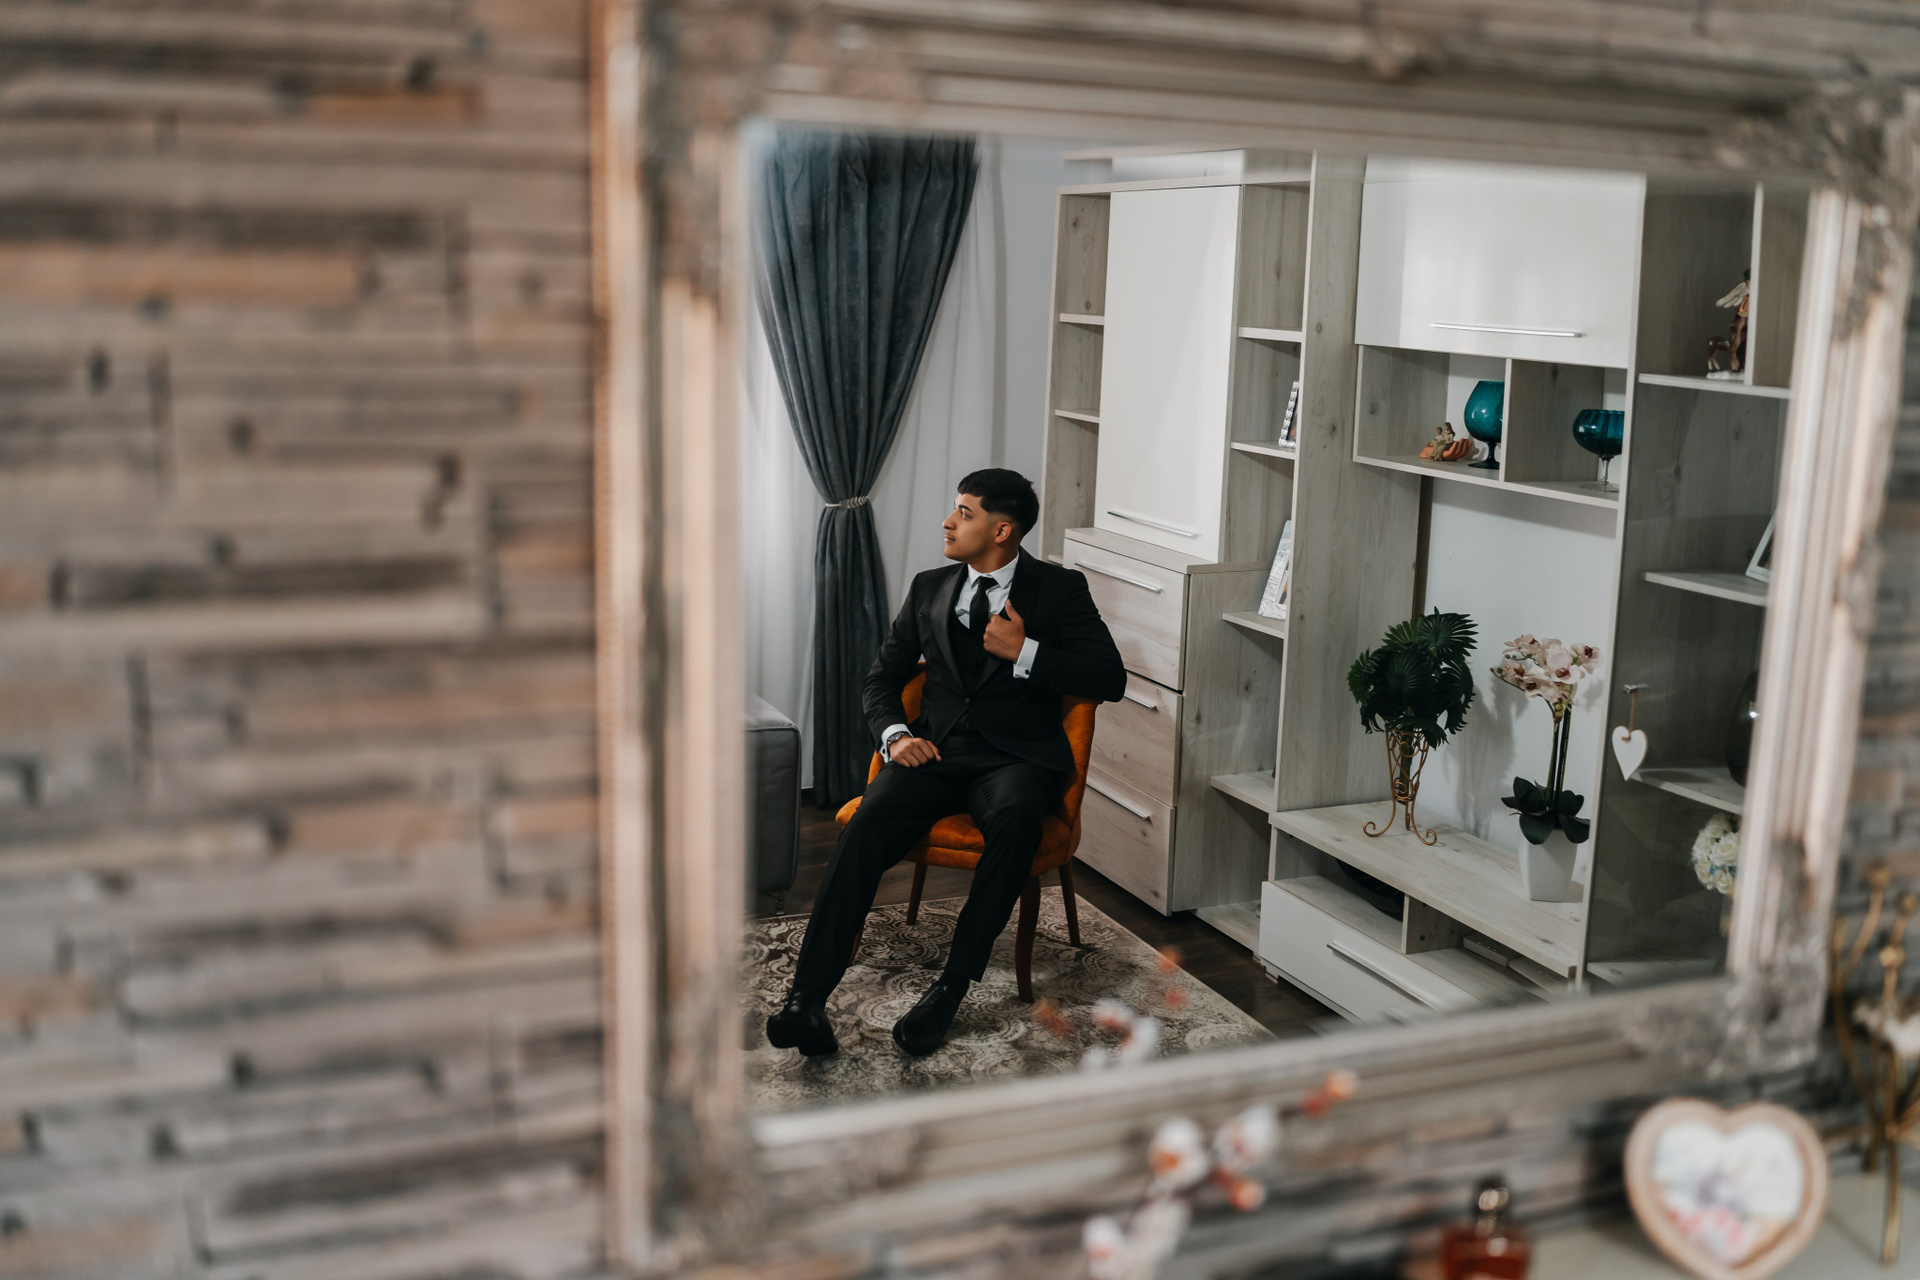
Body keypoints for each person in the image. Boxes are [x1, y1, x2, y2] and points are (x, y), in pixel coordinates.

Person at [767, 468, 1127, 1057]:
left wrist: (1026, 651)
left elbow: (1109, 678)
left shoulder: (1060, 590)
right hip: (933, 753)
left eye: (964, 512)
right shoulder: (929, 586)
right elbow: (882, 679)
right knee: (864, 826)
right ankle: (806, 1000)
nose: (948, 522)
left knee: (1016, 823)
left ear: (1002, 530)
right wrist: (895, 735)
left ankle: (948, 992)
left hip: (1015, 761)